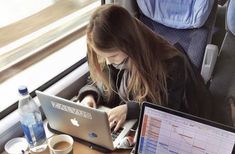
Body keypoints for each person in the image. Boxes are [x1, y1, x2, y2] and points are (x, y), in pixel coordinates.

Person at [77, 4, 213, 131]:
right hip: (124, 123)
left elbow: (167, 110)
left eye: (113, 56)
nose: (108, 62)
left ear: (129, 45)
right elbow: (97, 80)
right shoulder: (104, 53)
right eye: (102, 56)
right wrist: (89, 95)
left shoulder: (172, 64)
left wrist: (129, 109)